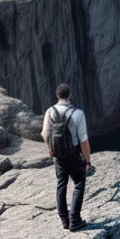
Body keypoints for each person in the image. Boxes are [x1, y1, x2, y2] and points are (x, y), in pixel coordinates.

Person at [41, 83, 93, 231]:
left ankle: (64, 220)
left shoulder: (50, 112)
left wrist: (51, 149)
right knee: (79, 184)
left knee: (61, 185)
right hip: (74, 154)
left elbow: (44, 134)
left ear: (57, 96)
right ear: (69, 95)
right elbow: (83, 140)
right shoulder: (77, 114)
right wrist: (87, 161)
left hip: (58, 155)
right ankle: (75, 219)